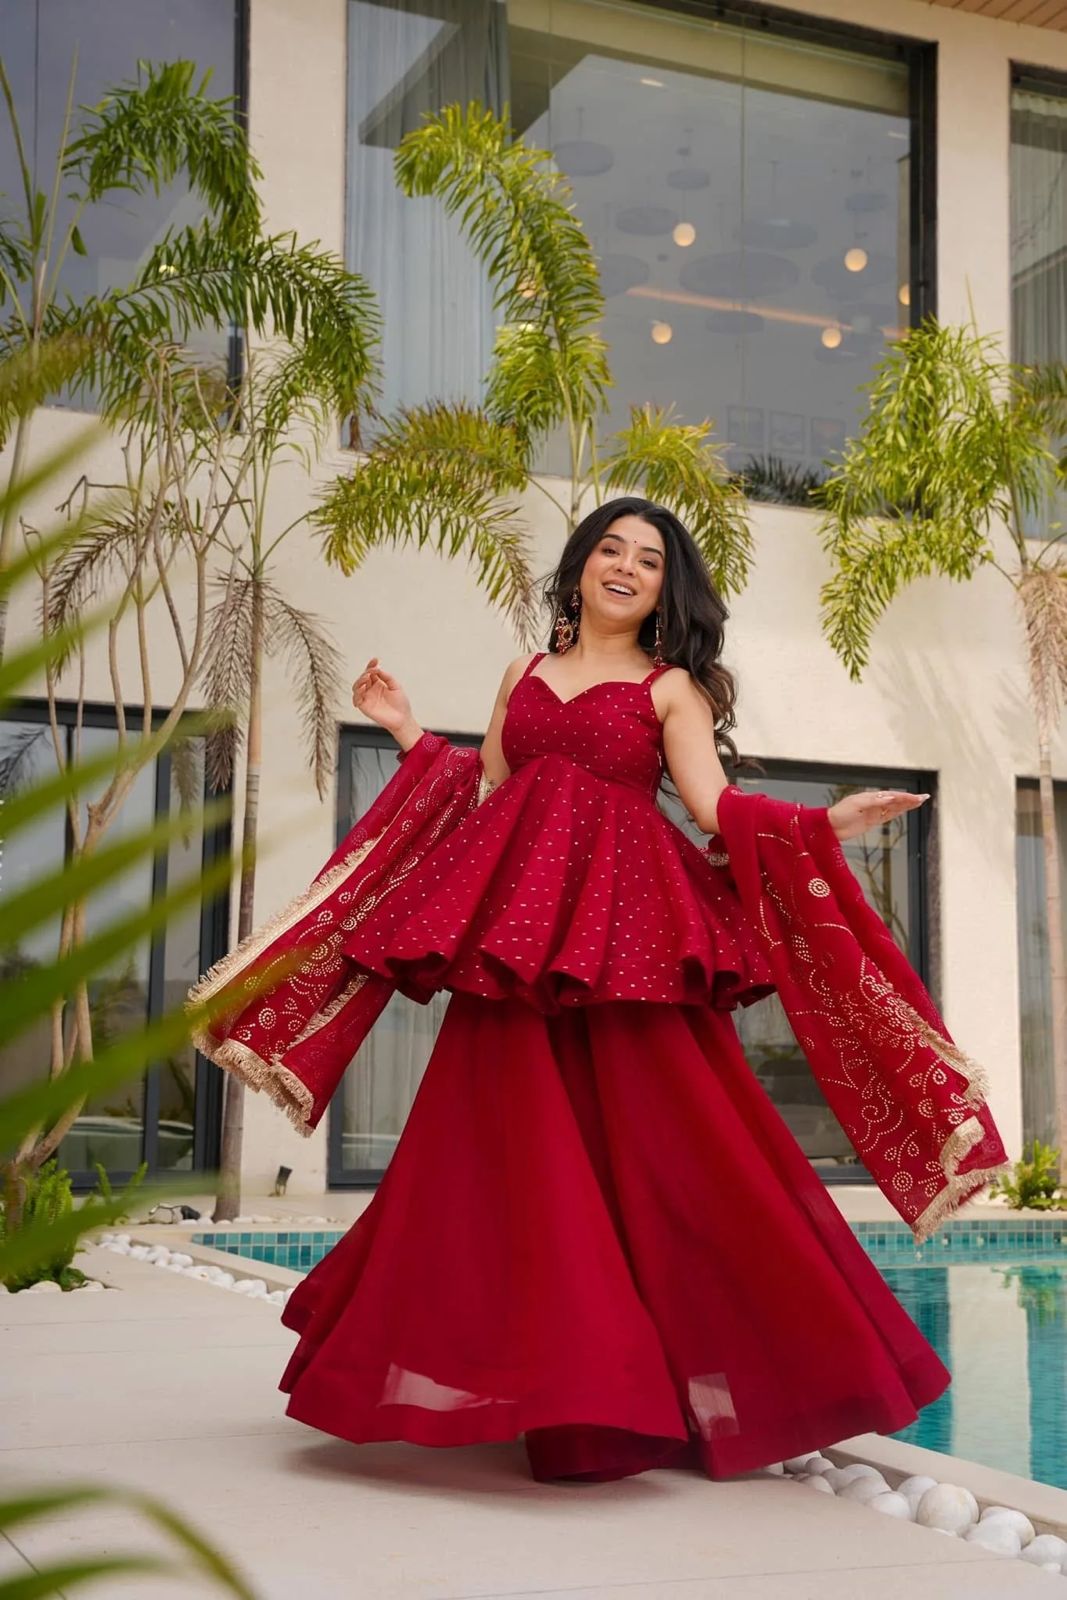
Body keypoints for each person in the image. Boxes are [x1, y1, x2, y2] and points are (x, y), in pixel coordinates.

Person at [189, 495, 1008, 1485]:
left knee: (674, 1160)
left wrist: (822, 826)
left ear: (667, 590)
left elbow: (711, 808)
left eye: (648, 559)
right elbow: (488, 794)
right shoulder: (521, 674)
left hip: (624, 948)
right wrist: (405, 731)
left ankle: (689, 1383)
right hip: (512, 955)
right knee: (496, 1166)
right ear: (576, 567)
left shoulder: (671, 692)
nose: (624, 566)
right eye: (608, 549)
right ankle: (551, 1388)